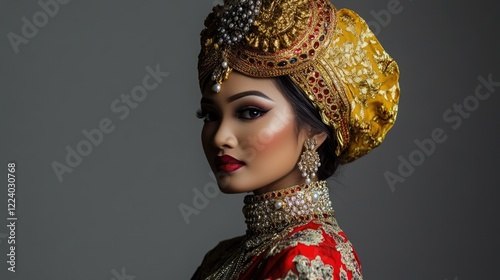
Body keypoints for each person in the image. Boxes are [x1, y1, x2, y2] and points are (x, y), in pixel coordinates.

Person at [192, 0, 400, 279]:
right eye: (210, 116)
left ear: (315, 130)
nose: (220, 137)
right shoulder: (224, 256)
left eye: (250, 112)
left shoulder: (306, 258)